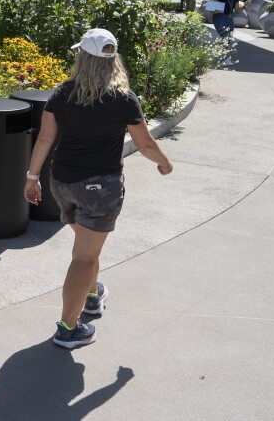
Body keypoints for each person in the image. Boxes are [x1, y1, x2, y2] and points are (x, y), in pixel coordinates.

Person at [23, 28, 172, 348]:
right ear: (113, 60)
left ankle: (91, 296)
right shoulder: (123, 98)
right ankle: (68, 329)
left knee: (88, 247)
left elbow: (45, 138)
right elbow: (144, 143)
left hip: (62, 183)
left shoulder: (63, 93)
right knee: (84, 258)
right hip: (99, 188)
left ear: (83, 58)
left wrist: (32, 178)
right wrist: (164, 162)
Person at [212, 0, 241, 67]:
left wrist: (245, 6)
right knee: (226, 37)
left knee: (230, 39)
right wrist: (215, 10)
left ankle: (222, 57)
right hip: (219, 18)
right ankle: (225, 59)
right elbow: (213, 9)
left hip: (229, 19)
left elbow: (237, 10)